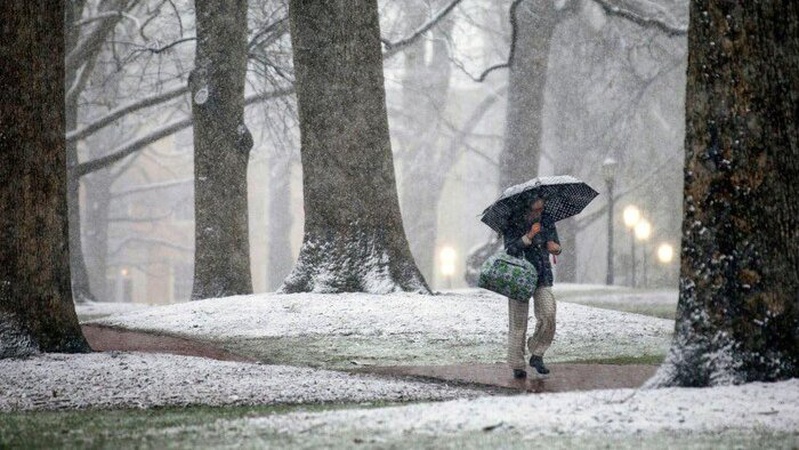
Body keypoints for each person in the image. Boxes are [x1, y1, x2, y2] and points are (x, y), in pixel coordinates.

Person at [503, 195, 561, 379]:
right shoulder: (512, 221)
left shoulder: (547, 219)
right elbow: (510, 249)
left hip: (542, 274)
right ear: (527, 207)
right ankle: (517, 364)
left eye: (541, 209)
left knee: (548, 314)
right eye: (536, 210)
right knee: (518, 323)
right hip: (519, 275)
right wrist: (529, 236)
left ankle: (537, 353)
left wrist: (555, 248)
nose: (539, 212)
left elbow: (555, 244)